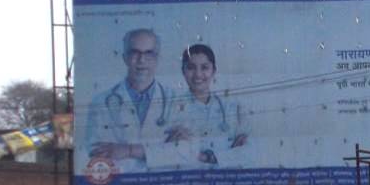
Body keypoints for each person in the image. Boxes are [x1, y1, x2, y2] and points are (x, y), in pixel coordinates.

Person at [82, 29, 177, 174]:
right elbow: (96, 151)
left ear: (157, 58)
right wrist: (159, 151)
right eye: (135, 52)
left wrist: (127, 151)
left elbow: (184, 152)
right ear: (124, 57)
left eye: (148, 53)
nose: (141, 60)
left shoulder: (176, 101)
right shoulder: (100, 102)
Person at [164, 44, 247, 167]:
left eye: (205, 68)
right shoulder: (170, 109)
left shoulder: (231, 108)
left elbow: (247, 151)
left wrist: (204, 157)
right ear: (183, 71)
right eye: (191, 67)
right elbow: (165, 153)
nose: (198, 74)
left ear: (214, 71)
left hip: (226, 181)